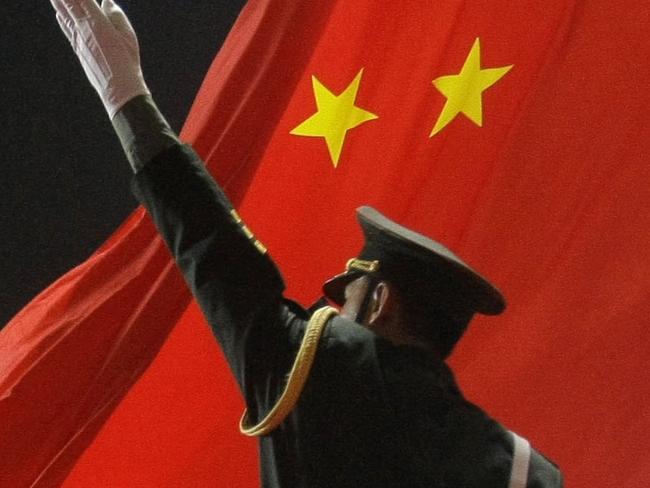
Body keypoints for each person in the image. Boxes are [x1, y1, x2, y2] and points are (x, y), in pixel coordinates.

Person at [50, 1, 563, 486]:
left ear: (381, 302)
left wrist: (125, 93)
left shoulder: (325, 379)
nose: (332, 310)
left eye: (350, 296)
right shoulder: (523, 471)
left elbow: (214, 249)